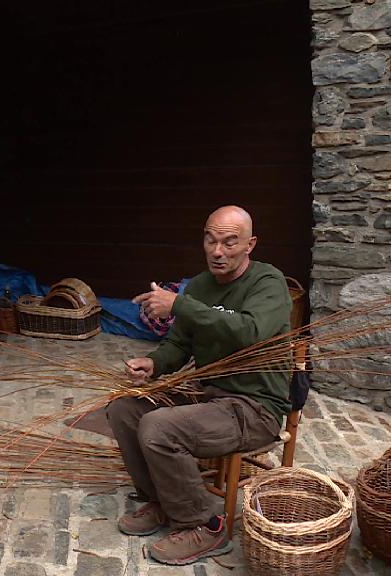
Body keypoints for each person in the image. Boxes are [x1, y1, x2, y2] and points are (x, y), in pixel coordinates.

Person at [107, 205, 291, 566]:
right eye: (210, 240)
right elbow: (180, 343)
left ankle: (207, 525)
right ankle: (162, 498)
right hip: (208, 396)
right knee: (125, 409)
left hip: (253, 408)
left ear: (249, 245)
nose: (217, 251)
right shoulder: (203, 285)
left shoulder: (269, 283)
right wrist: (155, 363)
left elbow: (248, 331)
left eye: (228, 242)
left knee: (158, 427)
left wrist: (180, 304)